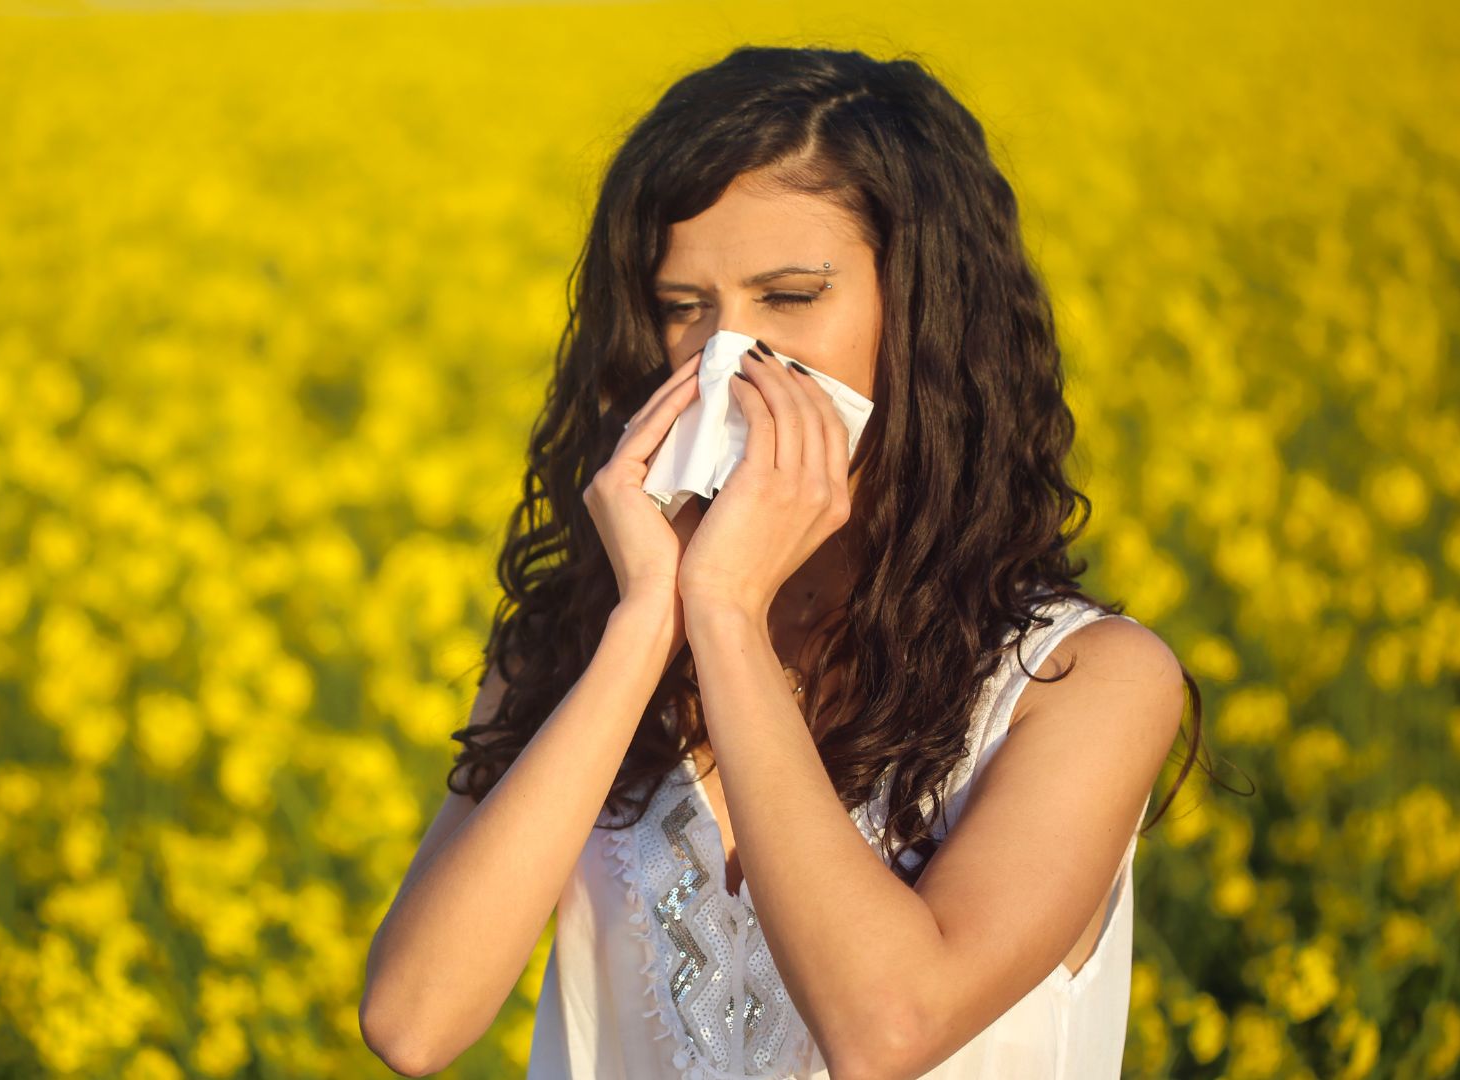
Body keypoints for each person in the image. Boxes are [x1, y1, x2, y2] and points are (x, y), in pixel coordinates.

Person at [362, 45, 1229, 1080]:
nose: (729, 357)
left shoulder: (1085, 684)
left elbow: (888, 1030)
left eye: (789, 297)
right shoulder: (585, 642)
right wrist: (649, 622)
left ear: (921, 319)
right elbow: (414, 1023)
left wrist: (725, 613)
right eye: (687, 309)